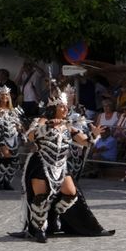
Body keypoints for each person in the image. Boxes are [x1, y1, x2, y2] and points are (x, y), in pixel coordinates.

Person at [18, 88, 113, 242]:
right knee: (41, 198)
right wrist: (49, 125)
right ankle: (40, 230)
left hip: (60, 166)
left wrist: (94, 134)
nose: (65, 109)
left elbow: (85, 142)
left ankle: (54, 214)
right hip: (41, 164)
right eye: (61, 106)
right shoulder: (43, 120)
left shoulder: (68, 125)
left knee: (71, 193)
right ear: (53, 108)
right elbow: (29, 136)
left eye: (66, 106)